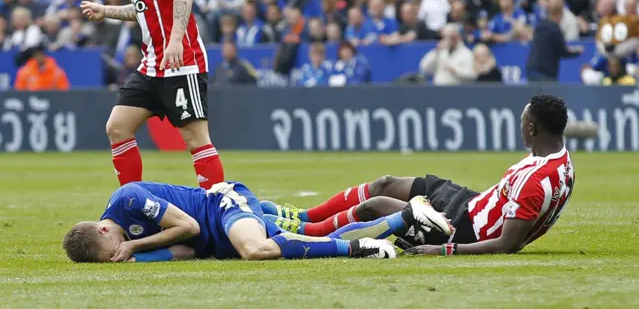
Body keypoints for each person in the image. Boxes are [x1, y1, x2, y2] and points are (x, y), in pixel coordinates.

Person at [263, 94, 575, 256]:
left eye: (523, 121)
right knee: (386, 183)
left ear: (532, 128)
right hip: (469, 203)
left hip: (461, 230)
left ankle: (305, 232)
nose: (520, 126)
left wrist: (443, 249)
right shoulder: (559, 161)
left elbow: (508, 244)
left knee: (374, 207)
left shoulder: (535, 180)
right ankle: (303, 215)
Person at [79, 0, 223, 189]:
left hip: (182, 63)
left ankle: (219, 211)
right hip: (153, 65)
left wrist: (175, 41)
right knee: (117, 127)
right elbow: (145, 9)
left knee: (196, 139)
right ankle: (131, 205)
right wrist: (106, 11)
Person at [62, 179, 450, 263]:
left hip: (221, 207)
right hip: (216, 235)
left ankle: (360, 246)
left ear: (103, 228)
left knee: (257, 249)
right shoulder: (119, 239)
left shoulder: (127, 199)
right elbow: (184, 250)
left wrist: (134, 245)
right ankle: (406, 218)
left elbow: (190, 228)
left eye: (115, 248)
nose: (121, 254)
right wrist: (135, 259)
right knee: (310, 229)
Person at [526, 0, 583, 82]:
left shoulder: (540, 25)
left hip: (531, 71)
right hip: (545, 74)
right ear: (560, 15)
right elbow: (563, 51)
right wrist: (577, 51)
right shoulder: (555, 30)